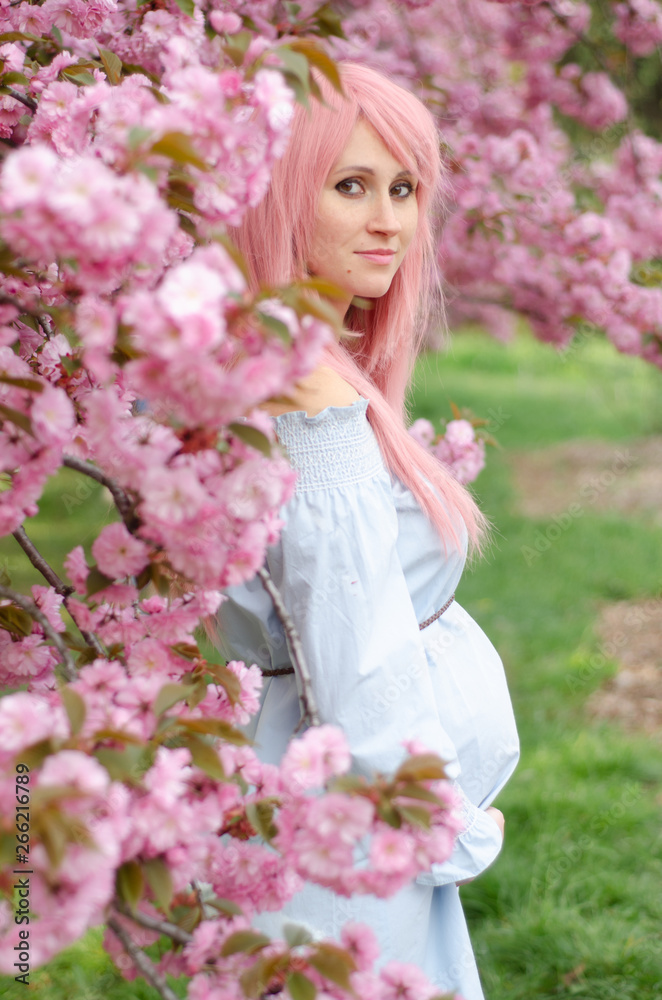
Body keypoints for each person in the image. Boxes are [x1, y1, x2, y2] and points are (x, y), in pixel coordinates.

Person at [216, 62, 519, 1000]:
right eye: (349, 187)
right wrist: (429, 818)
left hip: (344, 811)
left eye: (404, 188)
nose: (390, 219)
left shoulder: (300, 359)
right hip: (348, 816)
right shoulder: (301, 387)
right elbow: (358, 659)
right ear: (275, 199)